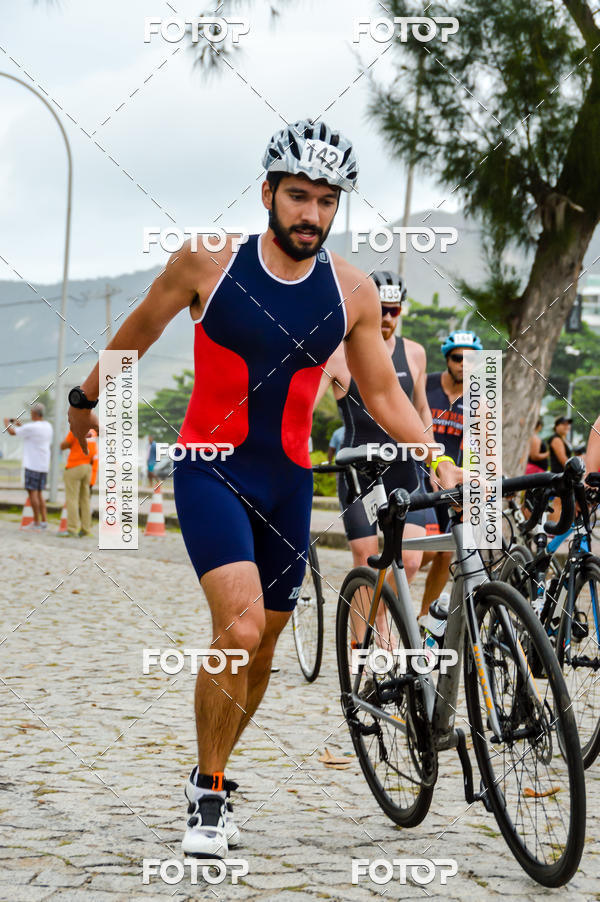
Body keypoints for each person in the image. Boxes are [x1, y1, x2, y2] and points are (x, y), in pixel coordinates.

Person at [67, 119, 463, 859]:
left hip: (286, 483)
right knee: (241, 630)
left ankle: (211, 770)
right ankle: (209, 795)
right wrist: (86, 399)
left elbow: (382, 392)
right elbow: (139, 331)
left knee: (262, 652)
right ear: (267, 194)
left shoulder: (351, 291)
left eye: (326, 201)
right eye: (298, 196)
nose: (311, 213)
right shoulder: (207, 262)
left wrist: (436, 457)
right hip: (210, 468)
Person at [315, 271, 432, 589]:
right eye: (381, 309)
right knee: (366, 562)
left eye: (394, 310)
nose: (388, 317)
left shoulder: (415, 353)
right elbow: (304, 406)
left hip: (405, 469)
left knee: (410, 561)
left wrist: (434, 459)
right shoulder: (336, 354)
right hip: (359, 473)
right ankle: (365, 622)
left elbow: (421, 409)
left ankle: (381, 615)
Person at [419, 330, 483, 619]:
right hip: (419, 475)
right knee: (421, 552)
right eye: (458, 358)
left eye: (471, 360)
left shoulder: (477, 399)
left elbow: (478, 445)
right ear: (447, 359)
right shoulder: (426, 384)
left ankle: (425, 618)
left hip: (449, 481)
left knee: (446, 551)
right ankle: (387, 596)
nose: (464, 364)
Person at [4, 403, 52, 530]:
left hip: (32, 465)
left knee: (32, 494)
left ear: (34, 413)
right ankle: (44, 522)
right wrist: (20, 425)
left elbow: (12, 432)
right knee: (40, 494)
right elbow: (28, 432)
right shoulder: (48, 426)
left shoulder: (32, 427)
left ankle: (36, 522)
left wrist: (6, 422)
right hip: (43, 465)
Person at [60, 428, 97, 537]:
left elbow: (64, 445)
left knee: (72, 499)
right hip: (87, 467)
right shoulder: (92, 432)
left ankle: (72, 528)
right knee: (85, 500)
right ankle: (86, 529)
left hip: (75, 466)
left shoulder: (76, 429)